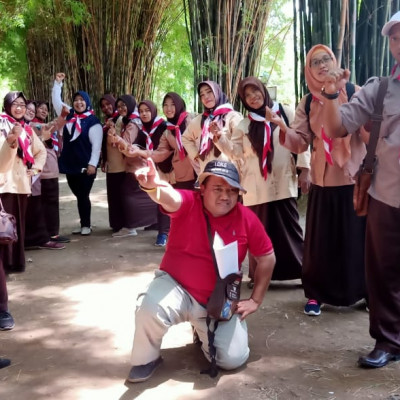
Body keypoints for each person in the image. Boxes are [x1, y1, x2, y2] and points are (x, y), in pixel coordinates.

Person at [127, 159, 275, 383]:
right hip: (176, 286)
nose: (226, 196)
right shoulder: (189, 202)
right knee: (149, 307)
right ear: (202, 189)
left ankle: (206, 332)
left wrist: (256, 299)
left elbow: (267, 257)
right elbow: (171, 197)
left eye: (232, 190)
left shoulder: (247, 218)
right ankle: (146, 358)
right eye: (218, 188)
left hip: (217, 299)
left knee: (232, 360)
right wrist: (153, 187)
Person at [320, 11, 400, 368]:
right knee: (383, 272)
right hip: (387, 194)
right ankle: (388, 340)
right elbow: (337, 128)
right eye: (395, 38)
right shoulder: (379, 88)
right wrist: (332, 93)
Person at [280, 44, 368, 316]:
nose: (321, 65)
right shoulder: (307, 102)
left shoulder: (354, 92)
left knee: (358, 239)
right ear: (308, 68)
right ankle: (315, 294)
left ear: (335, 61)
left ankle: (365, 292)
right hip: (323, 180)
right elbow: (300, 142)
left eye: (326, 59)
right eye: (315, 61)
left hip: (353, 178)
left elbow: (369, 132)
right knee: (321, 242)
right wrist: (282, 128)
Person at [216, 77, 310, 286]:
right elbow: (236, 153)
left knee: (290, 230)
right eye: (247, 95)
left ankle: (302, 270)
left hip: (283, 182)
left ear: (263, 91)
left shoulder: (285, 112)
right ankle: (260, 275)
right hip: (255, 187)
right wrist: (219, 139)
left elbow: (301, 140)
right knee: (259, 233)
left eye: (255, 92)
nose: (253, 97)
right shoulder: (244, 124)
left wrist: (305, 169)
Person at [0, 91, 46, 330]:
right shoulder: (1, 124)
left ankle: (15, 263)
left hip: (22, 184)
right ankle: (4, 267)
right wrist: (10, 140)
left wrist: (35, 169)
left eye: (21, 104)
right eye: (14, 104)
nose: (18, 108)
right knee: (4, 229)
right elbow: (2, 160)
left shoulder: (26, 129)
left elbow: (41, 151)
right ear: (7, 105)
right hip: (4, 185)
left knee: (17, 227)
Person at [52, 72, 102, 235]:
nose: (79, 103)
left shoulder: (94, 122)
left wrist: (93, 164)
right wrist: (58, 84)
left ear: (87, 102)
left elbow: (96, 146)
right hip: (70, 163)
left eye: (82, 100)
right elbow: (56, 102)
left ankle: (86, 225)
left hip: (86, 165)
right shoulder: (69, 115)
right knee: (78, 194)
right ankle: (84, 224)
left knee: (83, 194)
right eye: (76, 100)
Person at [105, 95, 157, 237]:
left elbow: (127, 144)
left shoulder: (133, 123)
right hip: (133, 163)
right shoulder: (127, 120)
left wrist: (116, 138)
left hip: (137, 164)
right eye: (119, 106)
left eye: (124, 105)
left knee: (128, 193)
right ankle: (153, 221)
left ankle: (131, 227)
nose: (121, 108)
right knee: (144, 192)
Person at [128, 92, 197, 190]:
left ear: (179, 105)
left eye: (173, 105)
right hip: (184, 175)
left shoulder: (192, 119)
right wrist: (139, 151)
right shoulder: (168, 131)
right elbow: (160, 154)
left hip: (200, 170)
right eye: (165, 105)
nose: (168, 109)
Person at [24, 101, 65, 250]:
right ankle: (35, 238)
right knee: (32, 205)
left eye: (31, 110)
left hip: (35, 172)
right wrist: (64, 115)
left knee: (36, 205)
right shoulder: (29, 126)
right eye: (26, 108)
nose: (30, 111)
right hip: (26, 174)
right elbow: (49, 127)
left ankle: (40, 237)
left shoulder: (29, 126)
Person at [182, 81, 242, 174]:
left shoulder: (232, 117)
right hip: (207, 173)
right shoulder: (200, 120)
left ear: (217, 92)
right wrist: (196, 155)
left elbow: (240, 148)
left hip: (229, 174)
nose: (206, 96)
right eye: (202, 95)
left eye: (209, 91)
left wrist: (220, 137)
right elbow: (185, 138)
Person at [31, 100, 70, 243]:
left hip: (51, 171)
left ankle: (52, 233)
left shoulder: (40, 126)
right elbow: (49, 127)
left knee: (51, 203)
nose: (43, 111)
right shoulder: (32, 125)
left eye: (45, 109)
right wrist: (62, 116)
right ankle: (49, 234)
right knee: (46, 204)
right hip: (43, 173)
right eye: (40, 108)